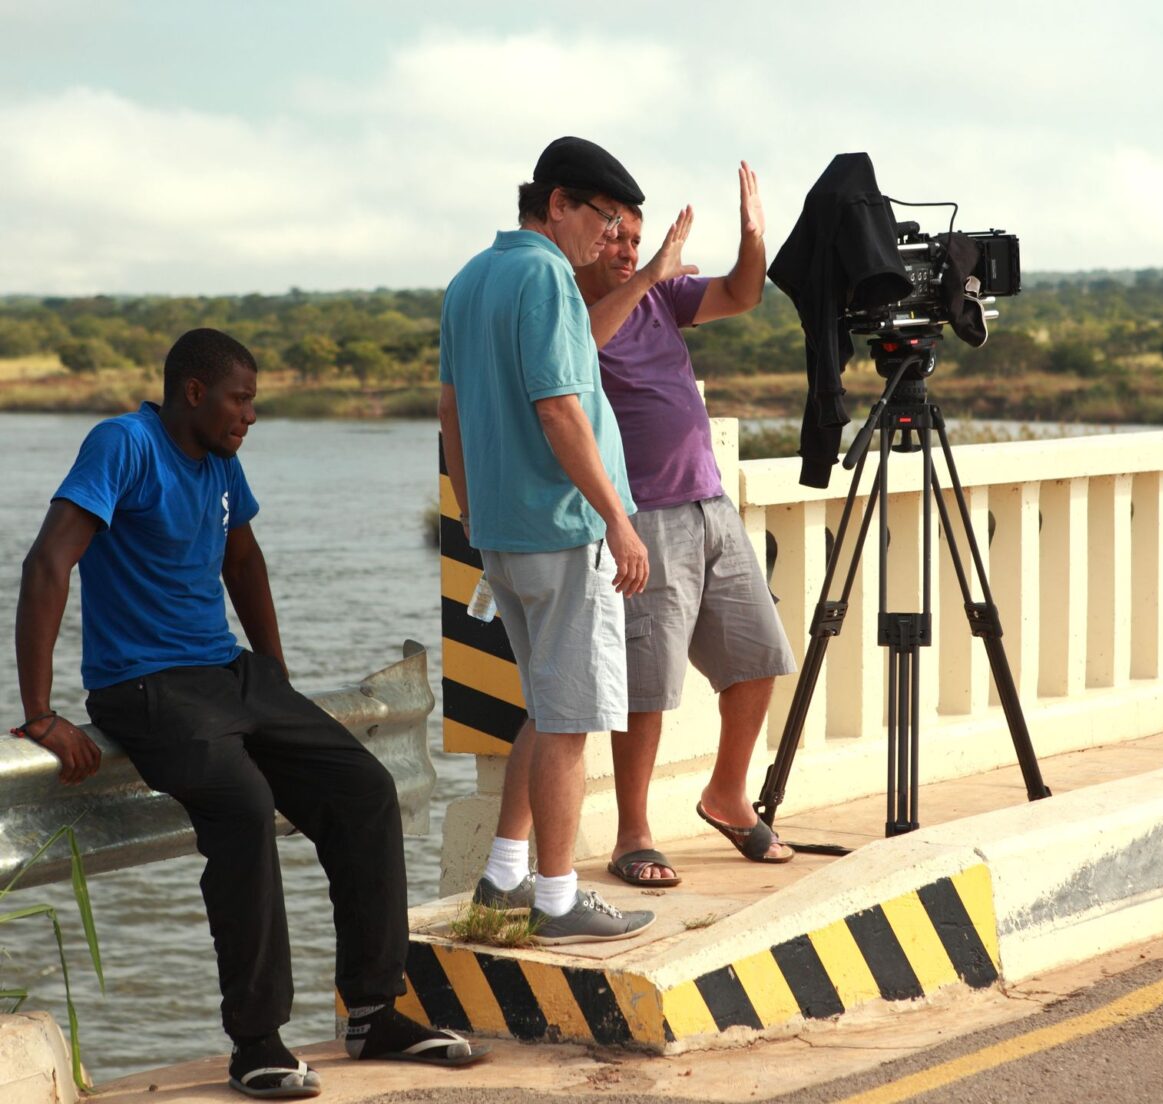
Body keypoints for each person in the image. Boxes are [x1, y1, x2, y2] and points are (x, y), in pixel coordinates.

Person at [13, 328, 485, 1100]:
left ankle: (373, 1011)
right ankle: (256, 1044)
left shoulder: (223, 461)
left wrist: (275, 676)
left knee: (363, 791)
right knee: (242, 806)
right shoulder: (122, 444)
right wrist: (41, 713)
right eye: (241, 398)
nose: (251, 415)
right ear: (193, 392)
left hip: (232, 675)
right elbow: (47, 562)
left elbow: (243, 559)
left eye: (254, 401)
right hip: (144, 685)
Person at [470, 162, 797, 894]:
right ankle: (632, 834)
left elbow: (743, 295)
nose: (624, 247)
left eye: (636, 240)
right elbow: (581, 348)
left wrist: (753, 237)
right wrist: (648, 274)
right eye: (616, 234)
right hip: (639, 515)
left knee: (760, 657)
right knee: (642, 689)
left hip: (708, 502)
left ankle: (726, 795)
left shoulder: (661, 299)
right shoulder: (565, 299)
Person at [438, 136, 657, 942]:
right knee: (570, 722)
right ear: (557, 203)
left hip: (501, 533)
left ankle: (503, 876)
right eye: (602, 219)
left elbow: (451, 413)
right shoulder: (546, 278)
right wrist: (618, 520)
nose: (609, 240)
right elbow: (561, 410)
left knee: (545, 704)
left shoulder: (469, 280)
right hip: (566, 532)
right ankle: (558, 898)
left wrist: (472, 511)